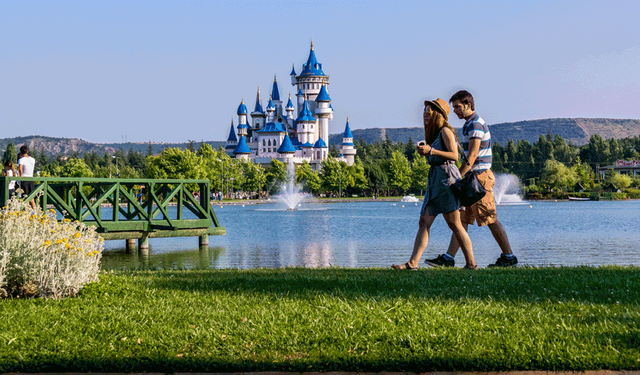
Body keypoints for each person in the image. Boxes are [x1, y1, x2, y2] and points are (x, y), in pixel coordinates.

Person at [425, 90, 517, 268]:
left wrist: (457, 177)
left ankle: (509, 257)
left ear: (468, 105)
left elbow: (473, 155)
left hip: (479, 178)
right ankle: (448, 258)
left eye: (458, 107)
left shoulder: (475, 124)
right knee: (463, 219)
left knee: (489, 217)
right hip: (471, 178)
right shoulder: (469, 124)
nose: (455, 111)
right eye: (454, 107)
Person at [392, 98, 477, 270]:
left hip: (446, 180)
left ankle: (471, 264)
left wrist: (431, 150)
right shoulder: (435, 133)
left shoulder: (446, 131)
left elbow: (454, 156)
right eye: (424, 111)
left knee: (455, 224)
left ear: (438, 114)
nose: (425, 114)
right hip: (436, 180)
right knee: (424, 222)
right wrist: (427, 152)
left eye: (428, 111)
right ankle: (412, 263)